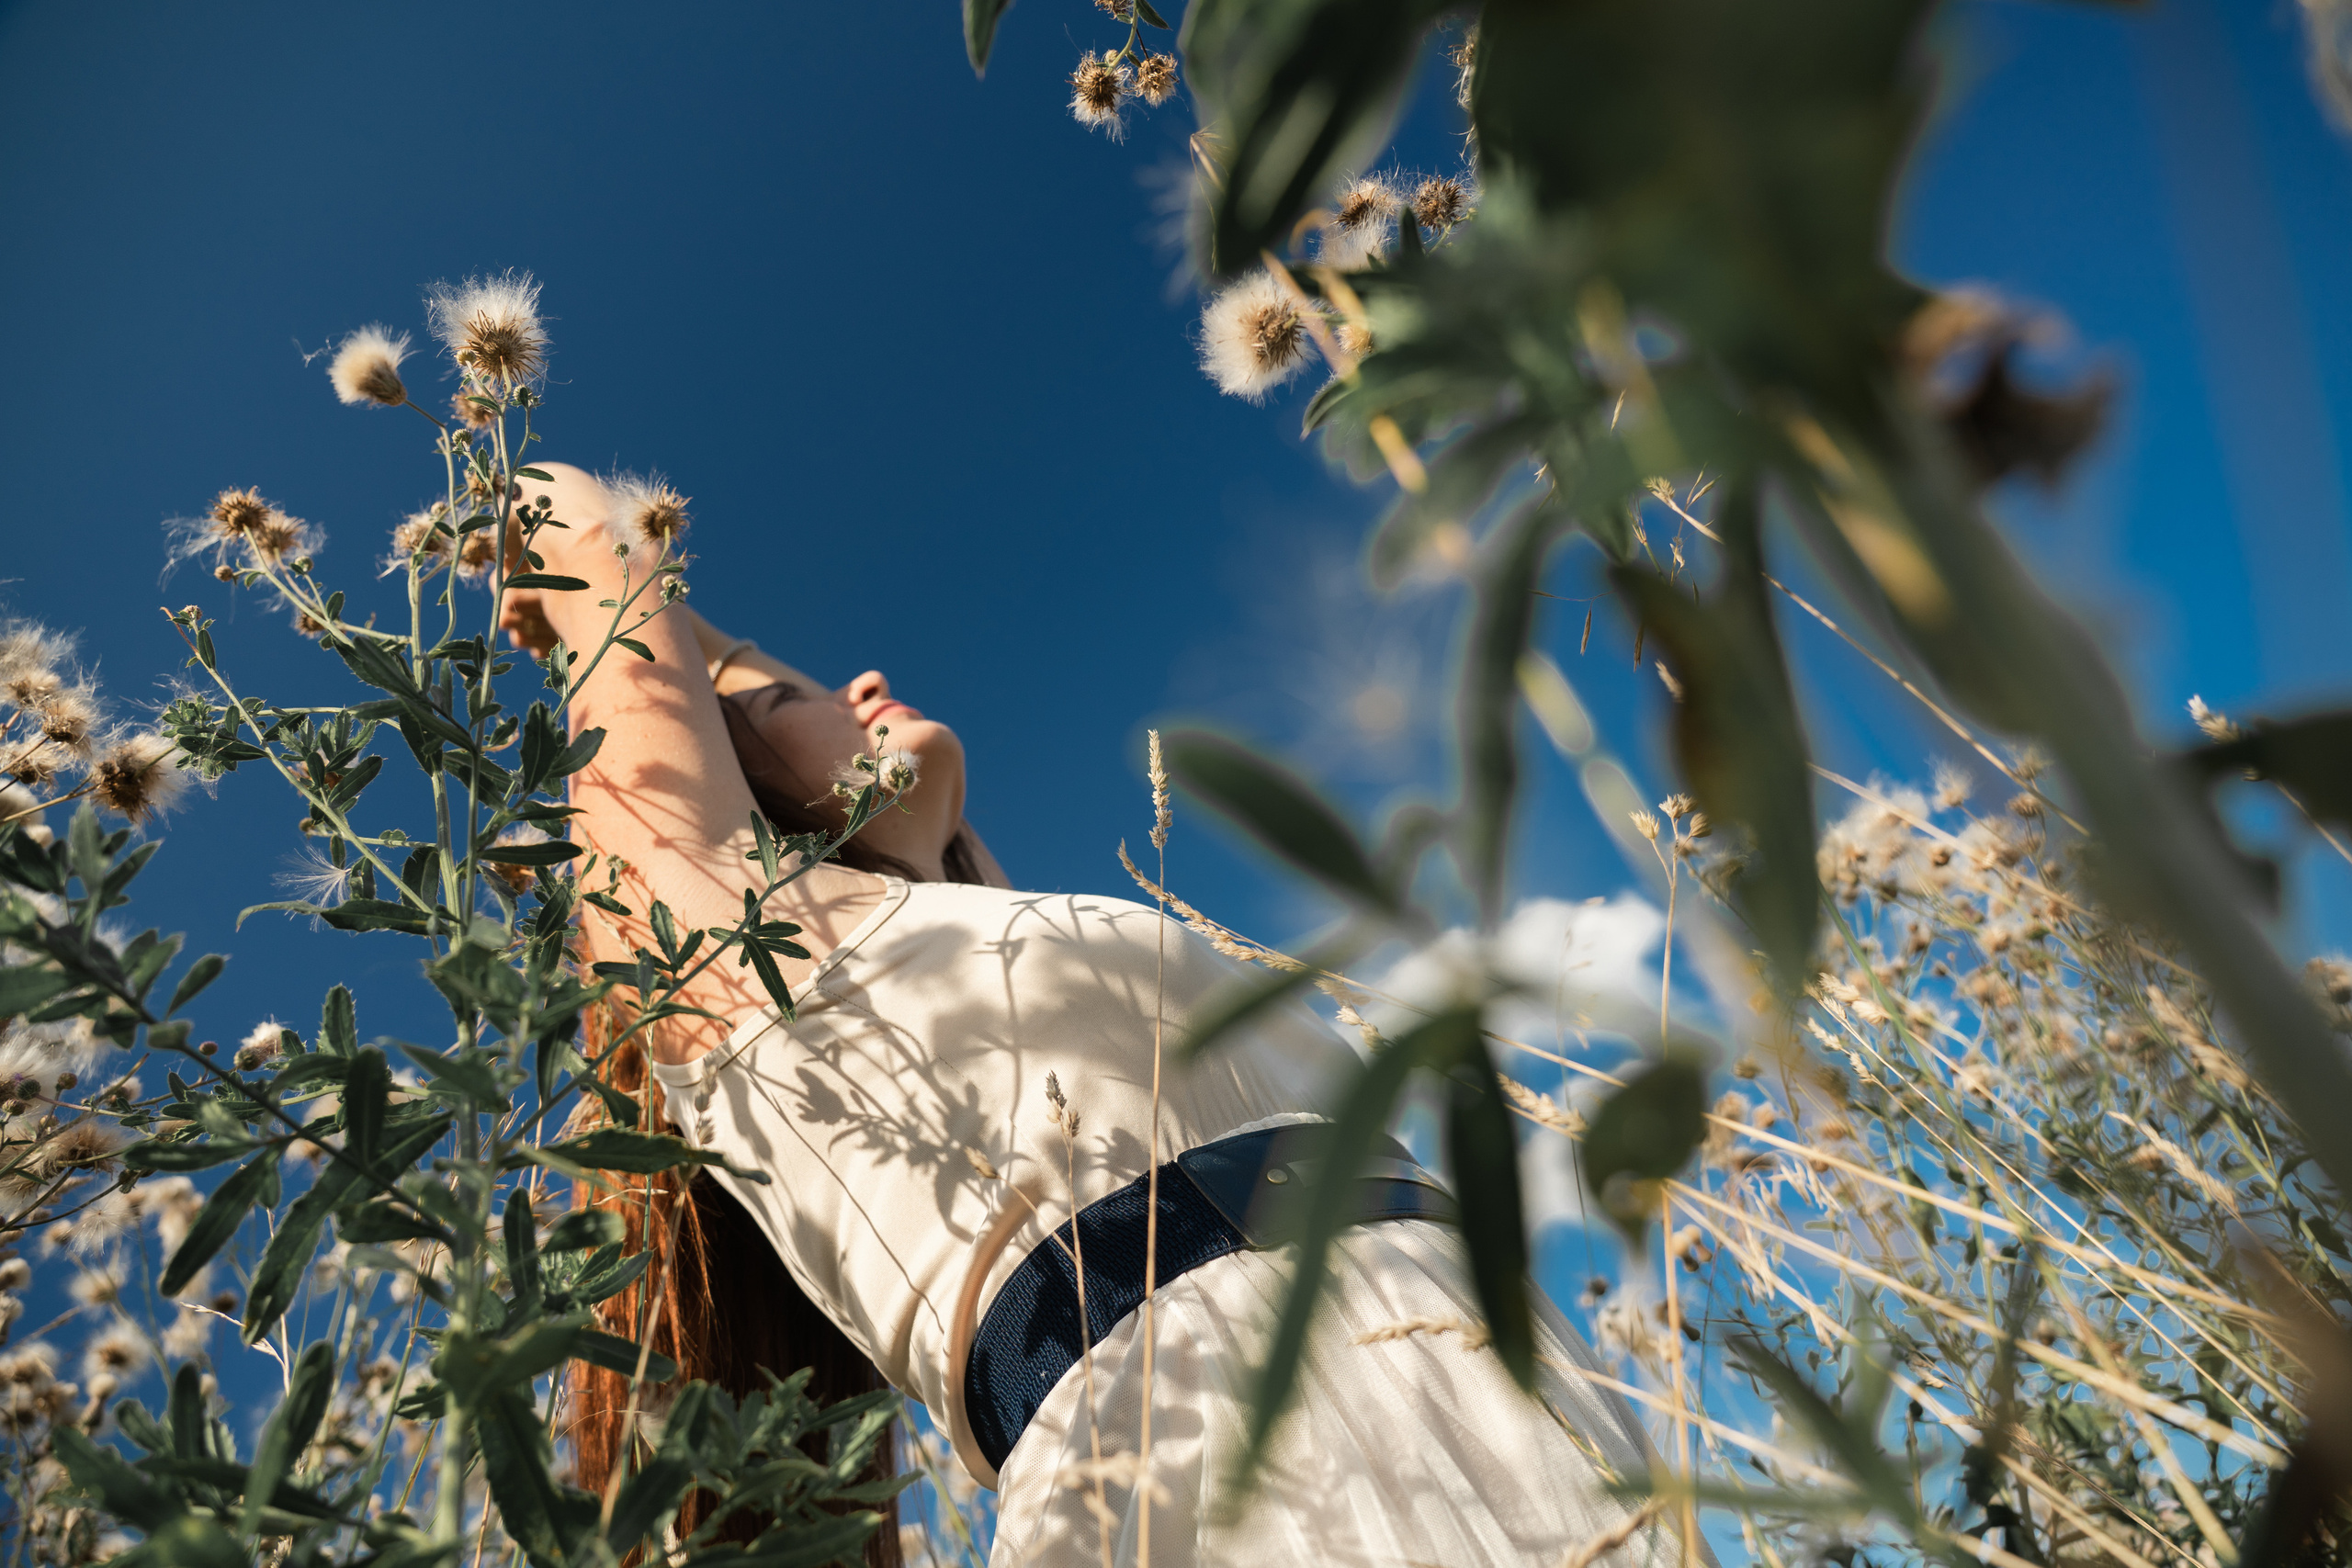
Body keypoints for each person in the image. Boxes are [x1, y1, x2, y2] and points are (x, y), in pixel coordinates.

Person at [503, 465, 1671, 1568]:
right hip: (1196, 1451)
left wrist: (725, 650)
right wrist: (566, 538)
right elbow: (600, 551)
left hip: (1505, 1388)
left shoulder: (990, 933)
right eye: (785, 701)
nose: (857, 681)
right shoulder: (729, 946)